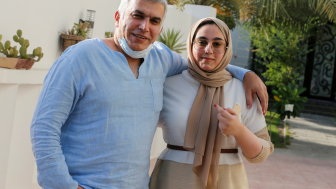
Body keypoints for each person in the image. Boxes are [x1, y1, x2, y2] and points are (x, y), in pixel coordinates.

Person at [30, 1, 268, 189]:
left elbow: (201, 64)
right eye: (137, 15)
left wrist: (245, 74)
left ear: (160, 29)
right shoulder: (80, 57)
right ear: (118, 17)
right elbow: (44, 127)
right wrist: (65, 186)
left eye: (154, 20)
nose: (145, 26)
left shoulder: (160, 59)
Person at [149, 18, 274, 189]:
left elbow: (261, 155)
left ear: (226, 49)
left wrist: (239, 131)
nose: (208, 50)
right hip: (173, 179)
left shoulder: (243, 89)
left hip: (227, 181)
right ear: (191, 43)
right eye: (201, 42)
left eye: (217, 44)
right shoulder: (168, 84)